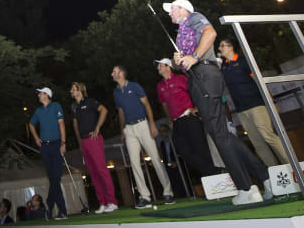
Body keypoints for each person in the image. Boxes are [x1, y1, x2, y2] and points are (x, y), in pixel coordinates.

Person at [165, 0, 272, 205]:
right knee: (220, 133)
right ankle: (264, 176)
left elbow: (211, 33)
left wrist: (194, 56)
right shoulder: (183, 33)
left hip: (204, 74)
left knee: (218, 135)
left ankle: (246, 188)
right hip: (198, 78)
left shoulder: (194, 17)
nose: (170, 13)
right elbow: (186, 63)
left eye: (172, 8)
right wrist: (179, 61)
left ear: (184, 9)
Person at [218, 38, 290, 166]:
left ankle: (292, 165)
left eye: (222, 46)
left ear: (230, 47)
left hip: (256, 104)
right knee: (257, 143)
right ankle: (275, 172)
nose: (219, 48)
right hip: (241, 110)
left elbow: (258, 81)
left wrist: (272, 101)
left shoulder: (244, 61)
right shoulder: (223, 67)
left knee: (268, 136)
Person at [111, 66, 174, 208]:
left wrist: (151, 125)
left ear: (121, 73)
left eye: (114, 72)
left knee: (155, 158)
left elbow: (146, 105)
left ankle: (168, 193)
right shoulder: (116, 92)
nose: (112, 74)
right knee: (134, 163)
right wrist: (122, 130)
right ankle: (144, 197)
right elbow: (120, 111)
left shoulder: (135, 86)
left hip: (143, 125)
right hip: (129, 129)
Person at [155, 59, 228, 178]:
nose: (158, 67)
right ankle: (214, 171)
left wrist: (196, 108)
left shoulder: (181, 79)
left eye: (160, 65)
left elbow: (195, 92)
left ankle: (213, 181)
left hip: (189, 118)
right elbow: (164, 104)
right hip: (176, 122)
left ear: (168, 67)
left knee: (200, 149)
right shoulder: (160, 86)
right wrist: (170, 120)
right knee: (182, 150)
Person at [69, 82, 118, 214]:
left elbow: (104, 110)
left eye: (73, 89)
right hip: (84, 142)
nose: (71, 91)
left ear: (80, 90)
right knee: (93, 173)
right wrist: (80, 142)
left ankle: (112, 202)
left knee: (102, 170)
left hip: (93, 139)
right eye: (71, 89)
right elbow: (75, 125)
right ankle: (102, 203)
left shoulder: (90, 101)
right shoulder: (74, 107)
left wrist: (97, 128)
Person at [27, 87, 69, 220]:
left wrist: (63, 143)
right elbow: (31, 124)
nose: (38, 95)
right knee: (53, 179)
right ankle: (61, 211)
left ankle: (50, 206)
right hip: (44, 146)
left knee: (56, 177)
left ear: (47, 95)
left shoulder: (56, 106)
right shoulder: (38, 111)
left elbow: (61, 124)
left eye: (41, 93)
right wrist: (36, 138)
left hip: (56, 144)